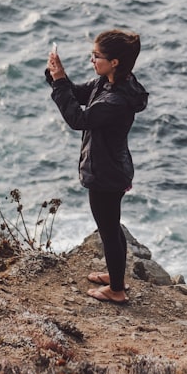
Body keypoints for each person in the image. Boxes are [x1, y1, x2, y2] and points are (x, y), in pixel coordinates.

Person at [46, 29, 149, 304]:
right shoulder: (110, 82)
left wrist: (59, 82)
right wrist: (58, 77)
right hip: (111, 167)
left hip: (106, 173)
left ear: (114, 61)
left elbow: (79, 119)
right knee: (111, 227)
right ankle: (117, 278)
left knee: (109, 230)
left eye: (97, 56)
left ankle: (117, 290)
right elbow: (80, 94)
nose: (92, 60)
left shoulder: (116, 100)